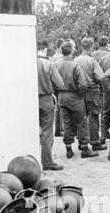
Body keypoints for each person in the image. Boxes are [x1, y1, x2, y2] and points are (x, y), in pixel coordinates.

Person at [54, 41, 98, 159]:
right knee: (82, 122)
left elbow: (52, 81)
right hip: (74, 96)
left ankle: (68, 148)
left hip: (61, 97)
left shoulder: (56, 64)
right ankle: (84, 147)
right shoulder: (74, 65)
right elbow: (83, 84)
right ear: (72, 51)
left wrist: (58, 93)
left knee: (67, 122)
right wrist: (80, 94)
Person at [37, 39, 65, 171]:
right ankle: (47, 161)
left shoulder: (26, 62)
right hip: (46, 99)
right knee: (47, 131)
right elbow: (60, 83)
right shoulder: (47, 64)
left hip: (29, 100)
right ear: (45, 49)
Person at [75, 38, 107, 152]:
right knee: (93, 117)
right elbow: (100, 77)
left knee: (81, 117)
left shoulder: (75, 60)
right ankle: (95, 142)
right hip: (93, 91)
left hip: (79, 92)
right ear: (91, 47)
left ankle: (82, 142)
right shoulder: (92, 61)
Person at [52, 38, 65, 137]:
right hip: (61, 84)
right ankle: (60, 129)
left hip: (54, 84)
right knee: (60, 108)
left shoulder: (53, 57)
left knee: (57, 107)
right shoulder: (60, 57)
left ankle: (57, 129)